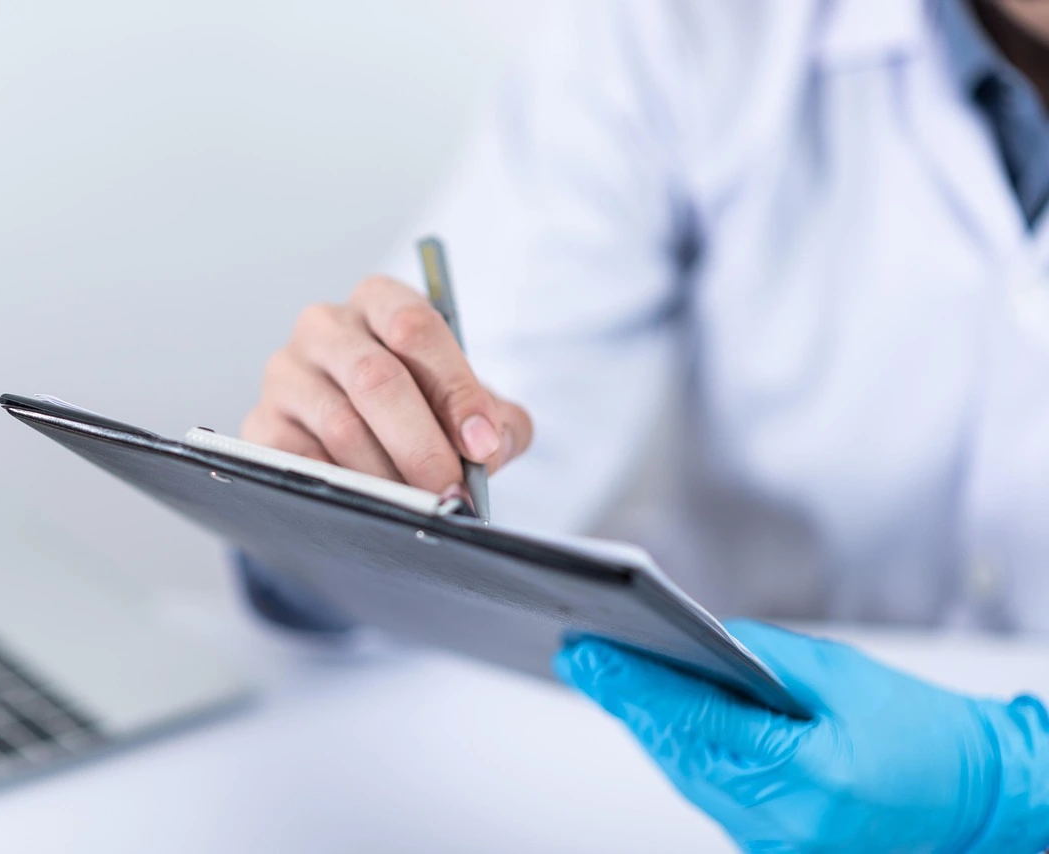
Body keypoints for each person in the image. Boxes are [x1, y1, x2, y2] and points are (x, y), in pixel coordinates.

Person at [238, 0, 1049, 848]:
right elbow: (476, 468)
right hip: (712, 795)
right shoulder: (685, 28)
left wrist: (1019, 791)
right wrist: (335, 503)